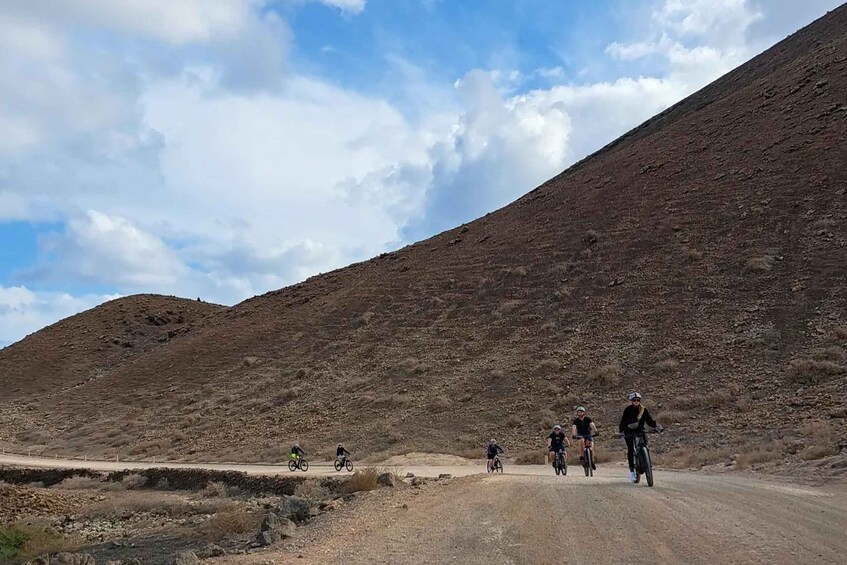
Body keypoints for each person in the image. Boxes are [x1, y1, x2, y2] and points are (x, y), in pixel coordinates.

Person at [619, 392, 660, 482]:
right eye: (634, 400)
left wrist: (655, 427)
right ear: (631, 401)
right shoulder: (627, 410)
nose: (636, 401)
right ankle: (632, 471)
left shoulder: (643, 410)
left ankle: (645, 461)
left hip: (640, 430)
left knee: (644, 445)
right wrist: (621, 432)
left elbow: (649, 420)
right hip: (628, 431)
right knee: (630, 450)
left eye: (638, 400)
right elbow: (622, 421)